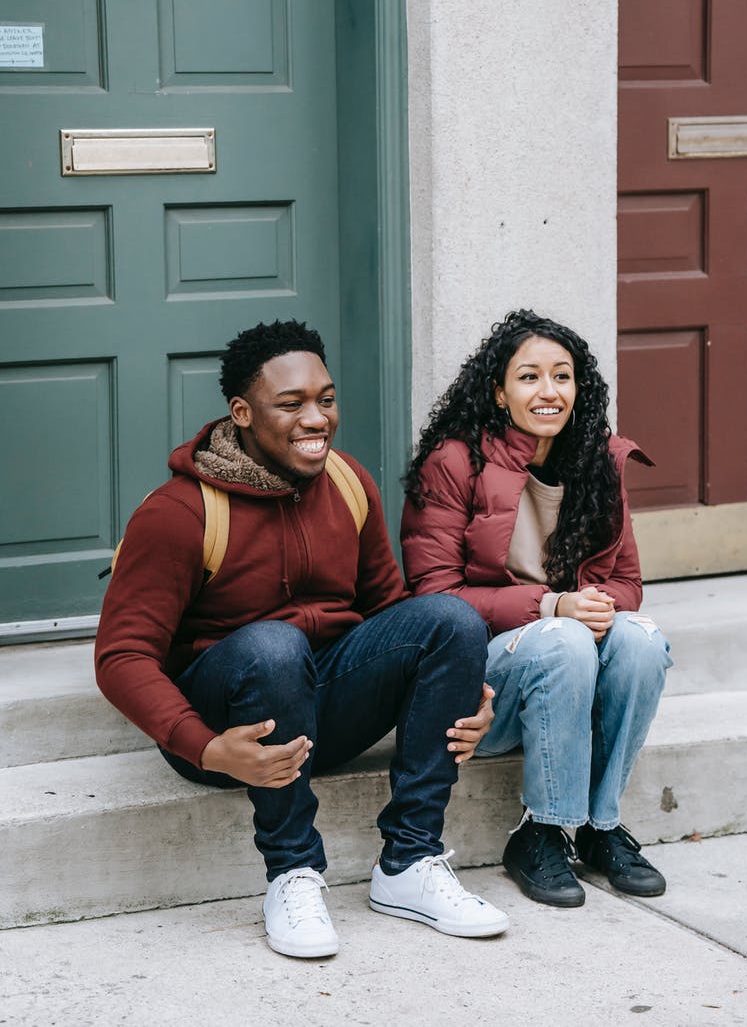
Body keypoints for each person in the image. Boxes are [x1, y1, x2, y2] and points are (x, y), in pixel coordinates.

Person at [95, 319, 508, 959]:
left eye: (326, 399)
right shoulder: (180, 513)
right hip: (226, 731)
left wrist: (460, 694)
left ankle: (410, 863)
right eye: (291, 404)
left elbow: (391, 614)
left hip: (320, 713)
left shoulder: (347, 482)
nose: (316, 418)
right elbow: (122, 658)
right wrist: (205, 747)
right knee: (272, 646)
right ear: (242, 413)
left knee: (451, 619)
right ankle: (292, 871)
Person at [401, 309, 672, 908]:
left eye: (562, 376)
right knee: (564, 637)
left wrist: (598, 606)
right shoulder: (455, 462)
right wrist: (553, 606)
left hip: (570, 663)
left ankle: (600, 829)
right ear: (498, 392)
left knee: (641, 638)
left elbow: (626, 581)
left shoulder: (598, 462)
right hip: (489, 687)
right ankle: (541, 831)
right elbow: (433, 598)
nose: (549, 391)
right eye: (529, 377)